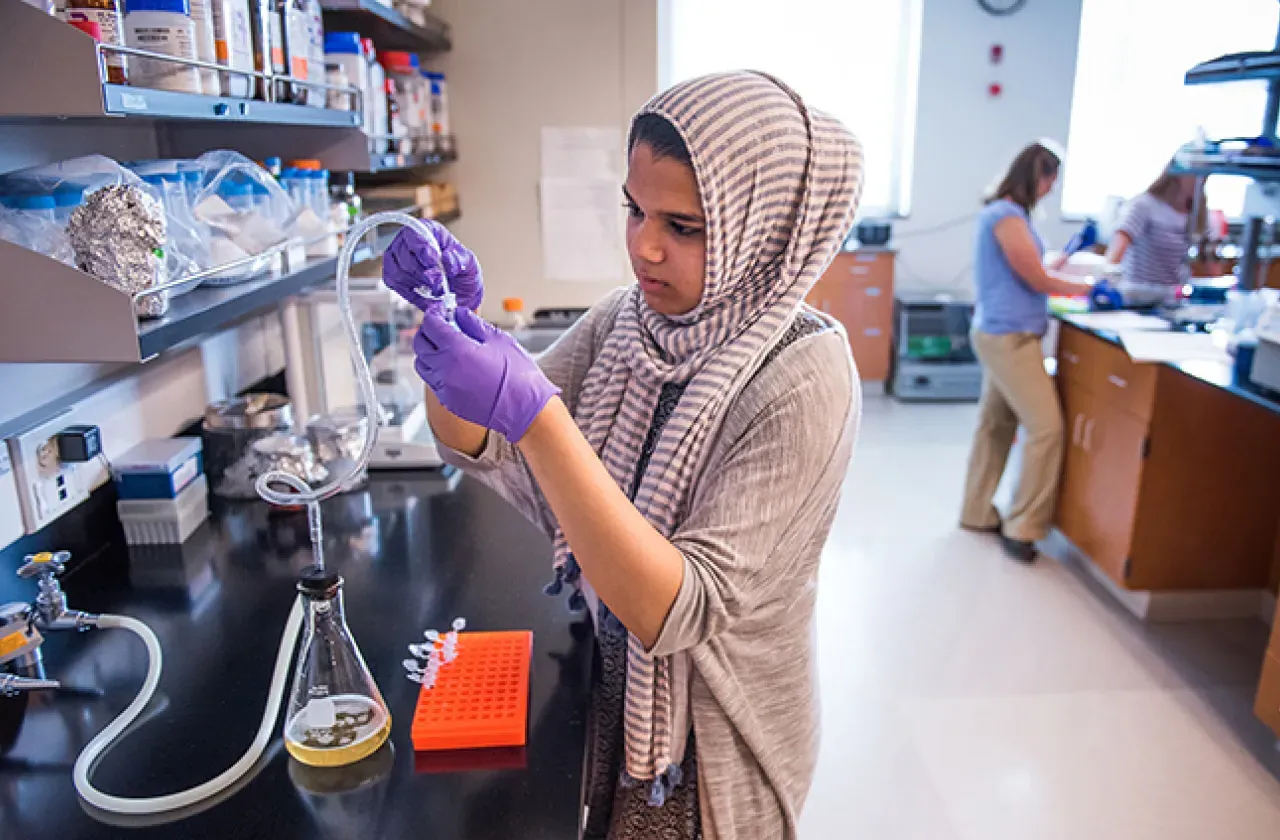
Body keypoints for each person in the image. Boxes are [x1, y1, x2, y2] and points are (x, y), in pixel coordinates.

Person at [382, 72, 864, 839]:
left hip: (702, 743)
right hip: (610, 680)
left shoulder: (804, 376)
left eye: (685, 225)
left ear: (765, 231)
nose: (644, 245)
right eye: (635, 209)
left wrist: (539, 417)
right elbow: (477, 441)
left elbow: (677, 608)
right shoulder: (627, 322)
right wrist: (448, 325)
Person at [959, 141, 1091, 563]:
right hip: (1009, 338)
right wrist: (1091, 289)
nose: (1051, 190)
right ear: (1038, 176)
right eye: (1050, 180)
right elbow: (1034, 277)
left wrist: (1062, 266)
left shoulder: (1009, 215)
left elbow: (1034, 268)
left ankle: (977, 511)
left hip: (1002, 333)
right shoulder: (1005, 215)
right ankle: (1022, 528)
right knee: (1046, 428)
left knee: (995, 424)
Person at [1106, 158, 1205, 289]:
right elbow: (1113, 258)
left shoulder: (1197, 214)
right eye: (1195, 174)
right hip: (1137, 297)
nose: (1200, 181)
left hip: (1173, 299)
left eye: (1204, 177)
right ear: (1178, 173)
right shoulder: (1144, 205)